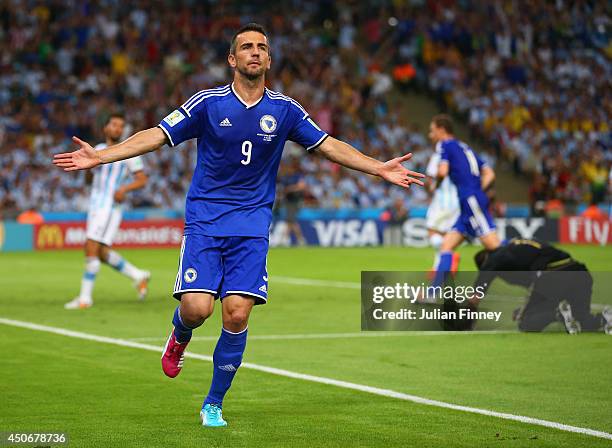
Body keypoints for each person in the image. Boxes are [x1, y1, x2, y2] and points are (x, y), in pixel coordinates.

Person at [53, 23, 425, 427]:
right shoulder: (208, 103)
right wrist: (103, 156)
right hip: (206, 221)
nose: (254, 52)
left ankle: (213, 402)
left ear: (268, 59)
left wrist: (377, 168)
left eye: (261, 47)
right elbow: (157, 135)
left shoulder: (285, 110)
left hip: (251, 225)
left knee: (235, 315)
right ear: (232, 59)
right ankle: (180, 334)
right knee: (196, 309)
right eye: (246, 47)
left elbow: (329, 145)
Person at [65, 113, 150, 310]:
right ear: (106, 128)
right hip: (95, 204)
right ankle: (138, 275)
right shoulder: (98, 150)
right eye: (114, 124)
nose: (117, 128)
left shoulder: (129, 151)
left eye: (121, 126)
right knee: (102, 253)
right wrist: (84, 169)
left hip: (109, 207)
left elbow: (142, 179)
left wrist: (124, 189)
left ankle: (85, 298)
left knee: (90, 247)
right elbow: (89, 179)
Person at [469, 238, 612, 334]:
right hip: (579, 272)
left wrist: (466, 321)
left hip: (554, 276)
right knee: (582, 319)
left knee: (526, 323)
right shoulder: (516, 248)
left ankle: (558, 314)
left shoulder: (491, 261)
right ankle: (605, 318)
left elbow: (475, 298)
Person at [428, 114, 501, 292]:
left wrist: (436, 184)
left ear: (441, 130)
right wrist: (477, 191)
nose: (431, 135)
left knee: (496, 248)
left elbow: (443, 171)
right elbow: (490, 173)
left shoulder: (444, 145)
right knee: (446, 246)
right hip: (469, 202)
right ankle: (432, 293)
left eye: (432, 130)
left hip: (470, 200)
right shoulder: (465, 147)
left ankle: (534, 277)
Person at [424, 148, 460, 274]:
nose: (431, 134)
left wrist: (430, 188)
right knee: (446, 236)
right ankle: (438, 267)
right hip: (457, 202)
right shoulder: (461, 156)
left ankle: (449, 258)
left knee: (432, 231)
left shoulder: (438, 156)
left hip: (441, 202)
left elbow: (430, 180)